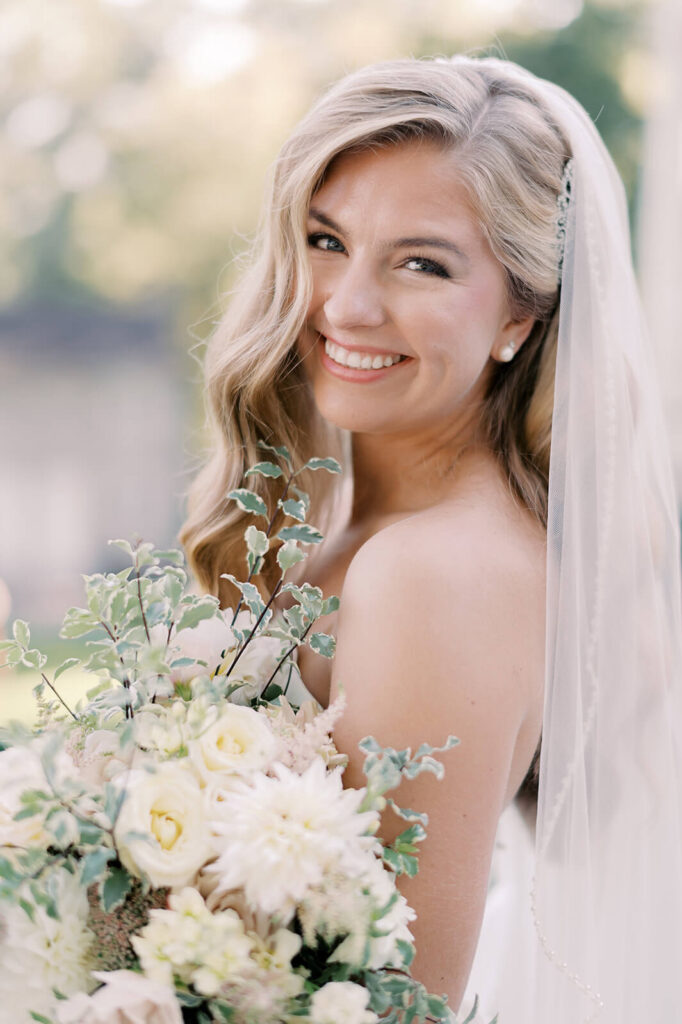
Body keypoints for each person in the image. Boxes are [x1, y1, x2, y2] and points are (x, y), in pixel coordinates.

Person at [181, 56, 682, 1022]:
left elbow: (395, 1004)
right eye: (326, 241)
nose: (348, 306)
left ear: (520, 316)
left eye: (422, 263)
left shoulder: (435, 574)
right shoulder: (351, 525)